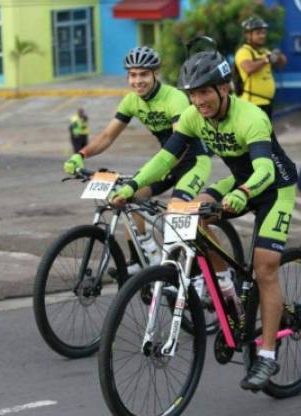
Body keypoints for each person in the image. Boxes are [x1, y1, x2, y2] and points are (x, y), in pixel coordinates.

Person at [110, 39, 298, 391]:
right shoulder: (194, 117)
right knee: (190, 215)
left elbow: (265, 171)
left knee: (265, 267)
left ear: (224, 88)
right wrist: (133, 185)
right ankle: (226, 286)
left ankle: (268, 356)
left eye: (204, 93)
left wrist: (243, 194)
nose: (198, 101)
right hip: (239, 182)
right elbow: (166, 158)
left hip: (274, 186)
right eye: (192, 94)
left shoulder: (251, 117)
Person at [63, 46, 212, 273]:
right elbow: (107, 136)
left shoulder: (175, 98)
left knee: (178, 212)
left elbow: (179, 143)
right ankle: (144, 256)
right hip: (165, 163)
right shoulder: (131, 101)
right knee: (128, 197)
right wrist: (80, 155)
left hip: (192, 161)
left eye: (143, 74)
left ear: (156, 73)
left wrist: (151, 172)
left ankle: (200, 273)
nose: (138, 80)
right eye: (133, 75)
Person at [234, 16, 287, 119]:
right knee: (260, 134)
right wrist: (265, 60)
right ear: (248, 35)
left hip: (266, 102)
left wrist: (279, 56)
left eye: (263, 33)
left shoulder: (264, 51)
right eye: (258, 33)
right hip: (252, 103)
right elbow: (248, 68)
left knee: (266, 133)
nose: (262, 36)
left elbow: (281, 63)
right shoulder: (244, 52)